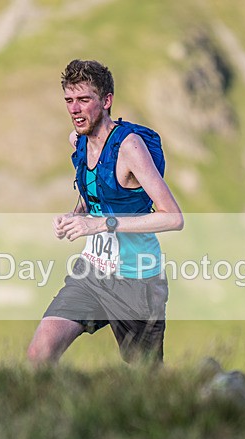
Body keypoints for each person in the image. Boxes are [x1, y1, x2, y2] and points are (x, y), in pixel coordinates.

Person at [27, 59, 184, 367]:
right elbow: (98, 194)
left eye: (84, 99)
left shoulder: (130, 148)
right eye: (69, 100)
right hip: (92, 272)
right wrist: (75, 216)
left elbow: (172, 217)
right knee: (39, 354)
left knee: (144, 379)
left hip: (137, 280)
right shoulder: (79, 141)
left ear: (106, 100)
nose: (75, 109)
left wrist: (100, 224)